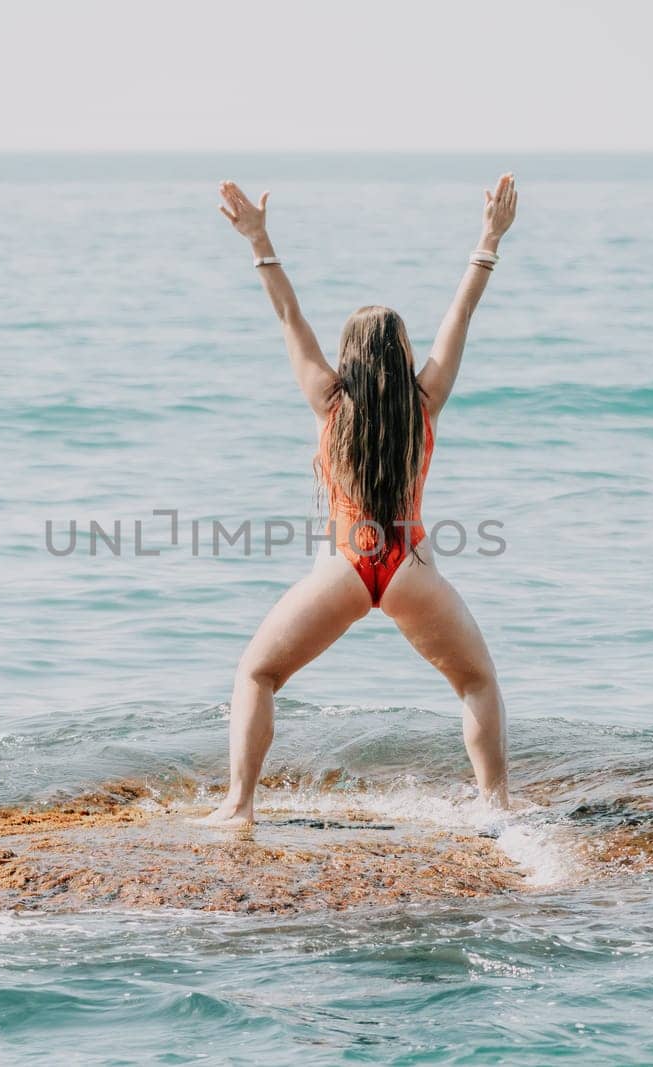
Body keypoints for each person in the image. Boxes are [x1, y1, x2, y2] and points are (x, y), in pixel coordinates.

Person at [199, 173, 519, 828]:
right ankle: (496, 807)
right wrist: (488, 237)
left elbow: (290, 315)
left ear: (349, 357)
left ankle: (239, 805)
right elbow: (461, 314)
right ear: (401, 357)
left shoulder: (328, 399)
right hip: (410, 566)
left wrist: (259, 240)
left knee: (256, 674)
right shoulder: (425, 400)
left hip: (345, 565)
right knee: (477, 682)